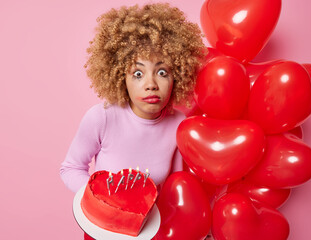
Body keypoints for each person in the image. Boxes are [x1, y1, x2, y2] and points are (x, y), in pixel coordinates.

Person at [59, 3, 206, 239]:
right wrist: (102, 200)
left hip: (154, 229)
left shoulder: (180, 124)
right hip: (105, 230)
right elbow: (70, 169)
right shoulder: (103, 117)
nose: (151, 84)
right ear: (120, 76)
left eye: (162, 72)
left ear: (177, 75)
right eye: (138, 73)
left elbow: (177, 188)